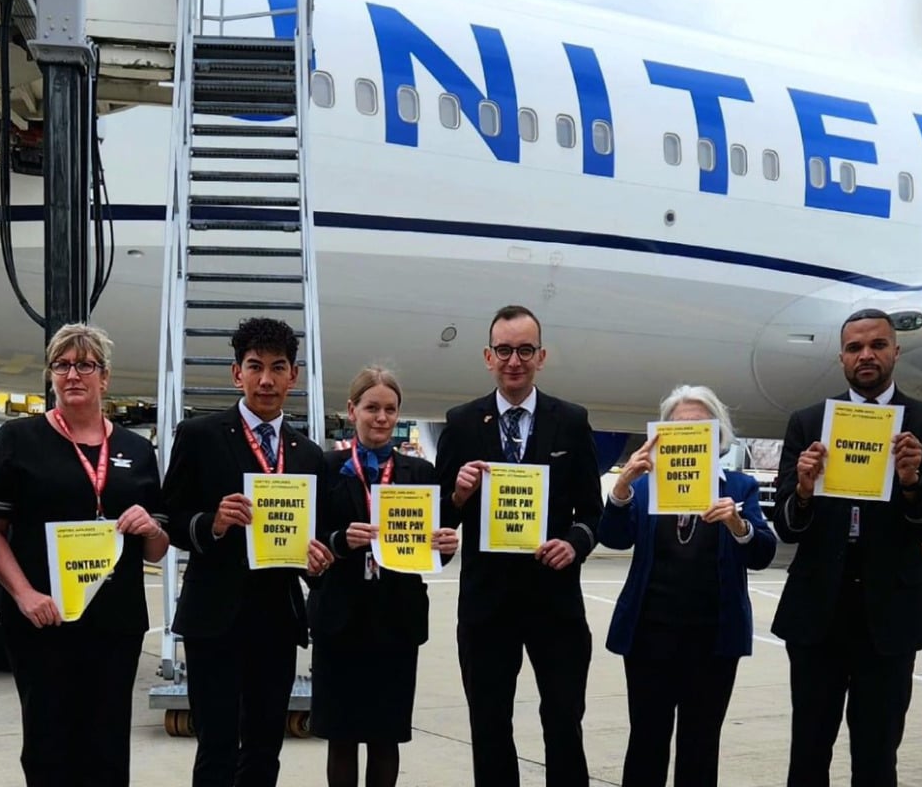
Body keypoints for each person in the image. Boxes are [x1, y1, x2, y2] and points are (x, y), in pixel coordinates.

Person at [771, 308, 922, 787]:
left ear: (896, 351)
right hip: (818, 611)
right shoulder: (809, 422)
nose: (866, 355)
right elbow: (788, 527)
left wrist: (913, 484)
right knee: (808, 749)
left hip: (891, 611)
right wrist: (805, 491)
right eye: (855, 348)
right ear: (842, 358)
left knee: (877, 754)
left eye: (877, 345)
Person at [0, 324, 168, 787]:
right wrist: (24, 595)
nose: (72, 375)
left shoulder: (136, 450)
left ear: (105, 377)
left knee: (106, 751)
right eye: (61, 365)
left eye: (85, 365)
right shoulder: (18, 439)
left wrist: (152, 527)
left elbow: (158, 549)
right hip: (44, 621)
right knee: (48, 748)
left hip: (114, 623)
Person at [435, 304, 603, 787]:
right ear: (488, 357)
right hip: (488, 606)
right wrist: (460, 494)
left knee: (564, 724)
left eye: (525, 350)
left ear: (541, 355)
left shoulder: (570, 421)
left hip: (555, 604)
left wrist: (574, 543)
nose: (515, 360)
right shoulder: (463, 423)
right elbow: (442, 524)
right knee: (488, 728)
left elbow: (592, 512)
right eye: (505, 350)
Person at [163, 317, 334, 787]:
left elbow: (314, 541)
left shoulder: (307, 454)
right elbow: (170, 518)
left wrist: (317, 564)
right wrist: (211, 524)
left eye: (278, 368)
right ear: (235, 373)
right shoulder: (199, 435)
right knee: (216, 747)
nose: (266, 380)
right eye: (254, 367)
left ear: (293, 376)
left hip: (276, 620)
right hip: (213, 617)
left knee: (264, 749)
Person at [599, 385, 777, 787]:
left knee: (700, 745)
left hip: (712, 639)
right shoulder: (646, 487)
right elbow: (613, 538)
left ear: (717, 437)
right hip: (649, 635)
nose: (690, 434)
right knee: (646, 740)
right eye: (679, 427)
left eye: (700, 427)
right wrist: (622, 487)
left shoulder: (738, 487)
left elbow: (763, 553)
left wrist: (738, 524)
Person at [308, 367, 459, 787]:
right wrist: (340, 540)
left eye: (390, 410)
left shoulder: (420, 474)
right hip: (340, 617)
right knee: (340, 736)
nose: (381, 418)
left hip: (396, 618)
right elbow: (308, 540)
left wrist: (444, 546)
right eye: (372, 408)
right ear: (352, 409)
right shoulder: (326, 466)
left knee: (385, 735)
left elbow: (432, 556)